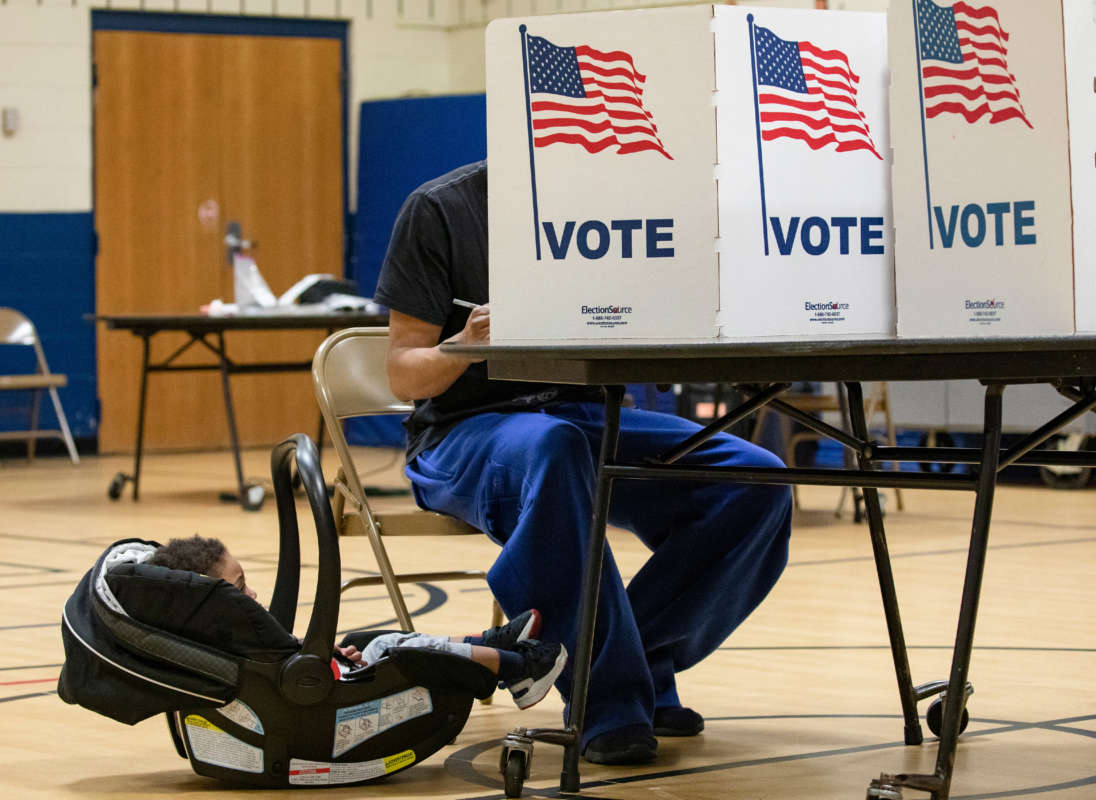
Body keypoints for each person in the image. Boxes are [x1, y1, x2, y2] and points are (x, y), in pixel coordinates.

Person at [372, 160, 794, 764]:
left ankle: (638, 660)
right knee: (556, 449)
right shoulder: (442, 207)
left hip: (584, 413)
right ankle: (608, 701)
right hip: (462, 432)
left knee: (753, 482)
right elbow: (403, 372)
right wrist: (464, 347)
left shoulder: (610, 203)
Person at [148, 535, 566, 710]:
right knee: (388, 652)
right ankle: (518, 669)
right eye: (240, 588)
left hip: (312, 684)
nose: (252, 596)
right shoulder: (222, 638)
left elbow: (278, 653)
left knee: (366, 639)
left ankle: (488, 642)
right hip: (311, 705)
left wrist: (328, 655)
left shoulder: (215, 634)